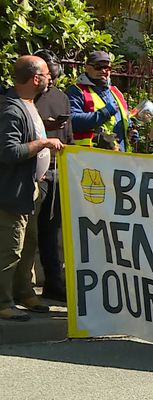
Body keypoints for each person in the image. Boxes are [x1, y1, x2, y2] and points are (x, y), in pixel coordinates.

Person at [0, 55, 64, 321]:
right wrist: (44, 143)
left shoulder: (28, 104)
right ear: (36, 78)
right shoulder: (10, 109)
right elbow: (8, 151)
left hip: (31, 188)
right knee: (10, 248)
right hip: (12, 192)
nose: (51, 78)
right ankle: (3, 301)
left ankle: (23, 292)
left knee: (30, 243)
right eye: (47, 74)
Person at [33, 49, 74, 301]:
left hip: (58, 170)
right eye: (48, 66)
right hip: (35, 172)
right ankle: (18, 287)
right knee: (25, 235)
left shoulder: (62, 97)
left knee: (52, 230)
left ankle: (54, 282)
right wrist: (42, 127)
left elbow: (68, 135)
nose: (53, 70)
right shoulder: (22, 99)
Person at [66, 51, 132, 151]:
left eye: (107, 68)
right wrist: (104, 113)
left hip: (119, 154)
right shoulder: (76, 91)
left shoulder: (116, 92)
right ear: (86, 67)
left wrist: (131, 130)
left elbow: (125, 118)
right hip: (91, 156)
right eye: (98, 67)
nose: (103, 71)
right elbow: (72, 121)